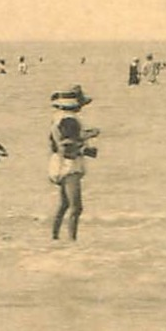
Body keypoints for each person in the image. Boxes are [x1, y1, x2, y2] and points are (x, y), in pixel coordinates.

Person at [48, 84, 99, 240]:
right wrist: (86, 147)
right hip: (69, 165)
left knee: (64, 204)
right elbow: (67, 146)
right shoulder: (70, 120)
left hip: (58, 163)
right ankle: (72, 243)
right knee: (76, 208)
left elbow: (60, 142)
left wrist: (85, 136)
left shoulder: (59, 118)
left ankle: (55, 238)